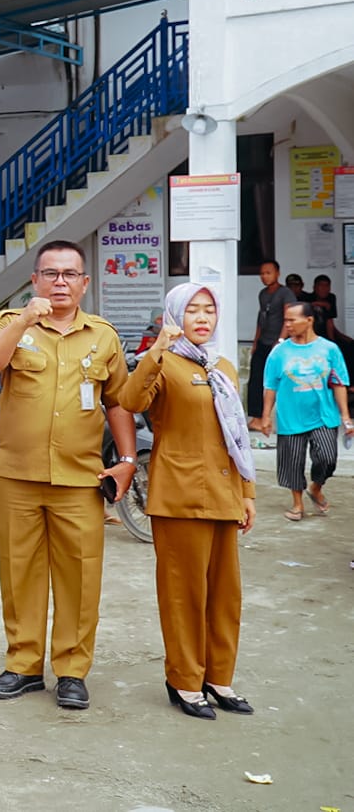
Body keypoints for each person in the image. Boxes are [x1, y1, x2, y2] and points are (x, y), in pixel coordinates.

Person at [0, 240, 137, 711]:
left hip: (79, 479)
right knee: (19, 574)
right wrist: (24, 319)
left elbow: (117, 400)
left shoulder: (102, 336)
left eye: (69, 274)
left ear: (84, 283)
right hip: (18, 476)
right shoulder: (11, 325)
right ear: (35, 281)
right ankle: (23, 665)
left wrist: (126, 461)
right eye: (50, 273)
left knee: (79, 579)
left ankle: (71, 670)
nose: (60, 282)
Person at [118, 284, 257, 720]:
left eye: (209, 310)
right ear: (174, 315)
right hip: (179, 496)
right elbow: (130, 400)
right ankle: (184, 680)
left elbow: (237, 438)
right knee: (184, 595)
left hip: (224, 493)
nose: (202, 317)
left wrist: (247, 493)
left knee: (225, 596)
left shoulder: (224, 368)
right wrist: (157, 349)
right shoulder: (165, 364)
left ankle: (219, 677)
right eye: (192, 310)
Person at [257, 301, 354, 520]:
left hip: (323, 415)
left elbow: (339, 383)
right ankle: (297, 504)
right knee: (292, 462)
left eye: (292, 320)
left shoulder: (329, 349)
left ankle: (316, 488)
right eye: (286, 320)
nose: (288, 325)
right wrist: (265, 417)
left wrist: (346, 417)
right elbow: (270, 386)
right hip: (291, 416)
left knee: (327, 459)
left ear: (309, 321)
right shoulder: (279, 352)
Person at [247, 259, 297, 430]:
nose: (264, 276)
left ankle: (285, 417)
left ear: (277, 273)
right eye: (262, 273)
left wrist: (281, 341)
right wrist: (255, 341)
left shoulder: (286, 293)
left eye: (268, 272)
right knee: (255, 379)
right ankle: (256, 418)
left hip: (279, 343)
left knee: (281, 381)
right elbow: (260, 319)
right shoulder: (262, 294)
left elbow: (288, 317)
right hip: (263, 341)